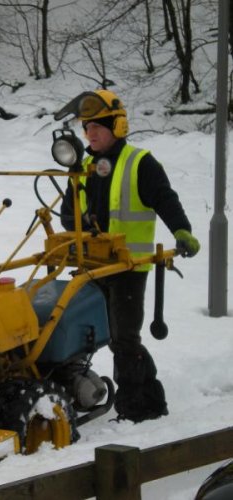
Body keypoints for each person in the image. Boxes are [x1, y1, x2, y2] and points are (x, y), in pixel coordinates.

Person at [58, 89, 200, 423]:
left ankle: (141, 407)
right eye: (87, 127)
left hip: (128, 267)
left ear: (118, 127)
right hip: (91, 265)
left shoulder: (139, 162)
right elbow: (68, 214)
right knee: (75, 331)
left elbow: (164, 198)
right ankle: (75, 391)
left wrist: (181, 230)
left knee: (124, 338)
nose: (90, 133)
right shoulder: (82, 167)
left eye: (98, 127)